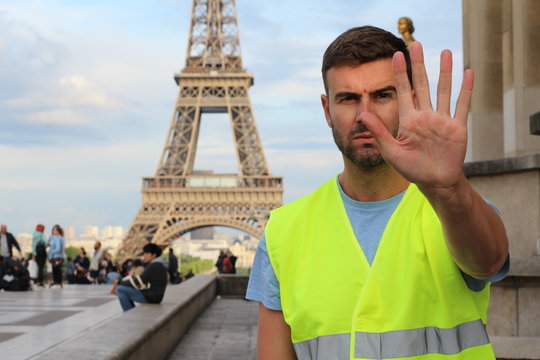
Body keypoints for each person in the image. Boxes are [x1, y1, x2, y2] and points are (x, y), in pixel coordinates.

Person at [246, 26, 510, 359]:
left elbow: (489, 261)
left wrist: (450, 187)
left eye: (382, 96)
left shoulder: (456, 208)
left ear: (409, 101)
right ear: (327, 110)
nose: (365, 116)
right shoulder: (282, 232)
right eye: (348, 98)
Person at [112, 243, 168, 312]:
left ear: (154, 255)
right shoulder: (159, 264)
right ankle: (130, 311)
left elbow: (139, 280)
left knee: (120, 289)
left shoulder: (154, 265)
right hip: (155, 296)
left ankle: (129, 312)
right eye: (144, 253)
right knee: (125, 287)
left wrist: (119, 282)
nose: (144, 255)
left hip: (150, 297)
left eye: (147, 253)